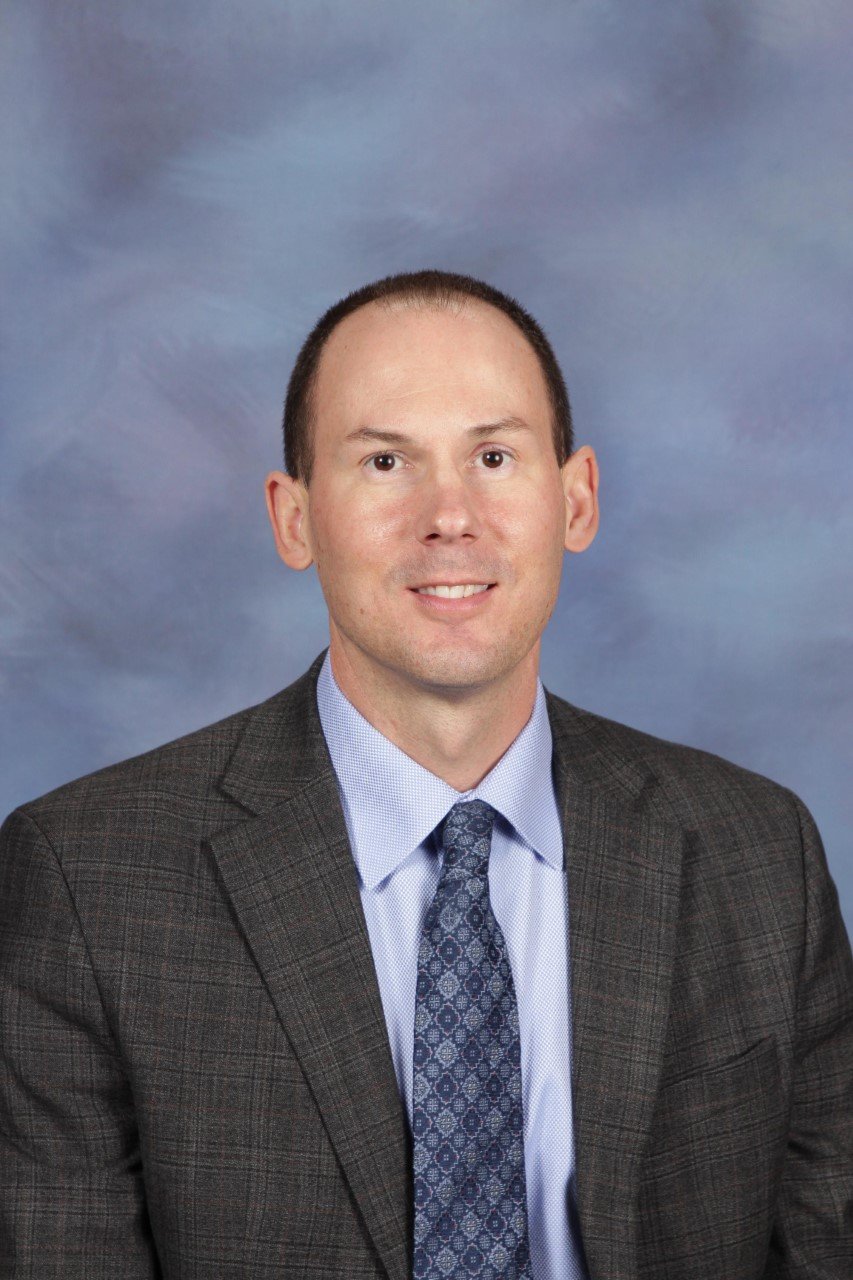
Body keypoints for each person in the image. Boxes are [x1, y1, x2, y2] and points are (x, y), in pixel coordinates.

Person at [0, 269, 850, 1280]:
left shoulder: (759, 856)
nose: (450, 516)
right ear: (294, 518)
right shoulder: (89, 880)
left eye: (493, 456)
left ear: (575, 500)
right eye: (385, 461)